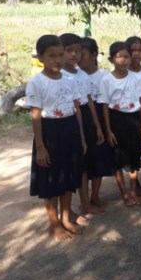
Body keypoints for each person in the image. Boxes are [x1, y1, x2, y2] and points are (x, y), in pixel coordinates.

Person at [26, 34, 86, 241]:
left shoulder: (70, 80)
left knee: (69, 178)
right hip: (50, 133)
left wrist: (81, 138)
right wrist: (40, 147)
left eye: (60, 54)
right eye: (52, 55)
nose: (58, 59)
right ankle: (54, 225)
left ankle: (66, 219)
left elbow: (77, 110)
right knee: (51, 180)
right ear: (40, 57)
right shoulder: (36, 82)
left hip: (70, 130)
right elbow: (36, 116)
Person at [59, 33, 104, 220]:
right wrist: (82, 136)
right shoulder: (61, 76)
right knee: (81, 165)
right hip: (71, 119)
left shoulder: (82, 74)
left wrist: (97, 126)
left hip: (87, 118)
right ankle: (84, 204)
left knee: (94, 159)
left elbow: (89, 101)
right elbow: (74, 106)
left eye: (78, 51)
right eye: (69, 50)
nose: (74, 55)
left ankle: (92, 200)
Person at [98, 41, 141, 207]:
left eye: (126, 56)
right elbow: (104, 106)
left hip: (133, 119)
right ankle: (124, 193)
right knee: (117, 158)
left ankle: (133, 191)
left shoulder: (136, 78)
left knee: (133, 156)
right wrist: (108, 130)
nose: (123, 60)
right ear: (111, 59)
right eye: (119, 57)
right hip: (116, 120)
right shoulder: (106, 79)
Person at [78, 36, 113, 211]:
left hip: (100, 116)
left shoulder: (105, 76)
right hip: (82, 118)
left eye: (82, 54)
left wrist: (104, 127)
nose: (78, 58)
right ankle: (84, 201)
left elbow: (106, 103)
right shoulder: (74, 76)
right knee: (83, 162)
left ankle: (95, 196)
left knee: (99, 158)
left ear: (93, 55)